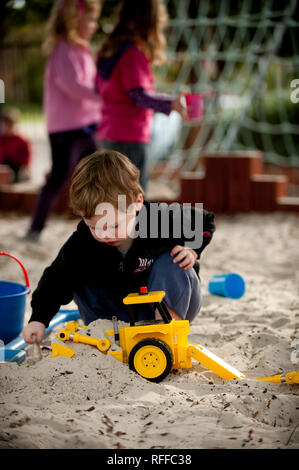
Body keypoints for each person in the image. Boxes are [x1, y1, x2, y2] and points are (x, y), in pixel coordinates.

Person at [23, 149, 216, 345]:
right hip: (115, 313)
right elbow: (56, 278)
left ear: (137, 203)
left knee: (173, 261)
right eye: (94, 227)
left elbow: (204, 221)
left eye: (114, 225)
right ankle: (104, 331)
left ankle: (164, 332)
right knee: (74, 270)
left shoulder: (159, 218)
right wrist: (39, 319)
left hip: (161, 304)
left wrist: (192, 250)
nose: (105, 234)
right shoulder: (84, 240)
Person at [24, 0, 102, 242]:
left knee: (98, 174)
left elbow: (92, 81)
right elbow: (74, 86)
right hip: (66, 129)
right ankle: (35, 228)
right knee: (58, 178)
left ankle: (100, 227)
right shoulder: (63, 50)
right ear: (73, 21)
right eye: (90, 19)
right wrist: (105, 94)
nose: (94, 24)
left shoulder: (82, 50)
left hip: (87, 124)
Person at [95, 0, 188, 191]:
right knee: (134, 195)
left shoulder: (108, 51)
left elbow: (100, 89)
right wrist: (171, 104)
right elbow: (137, 96)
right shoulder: (131, 54)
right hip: (130, 135)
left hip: (109, 131)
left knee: (117, 194)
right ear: (148, 23)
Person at [0, 107, 31, 183]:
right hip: (4, 164)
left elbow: (26, 156)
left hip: (17, 166)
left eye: (9, 125)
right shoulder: (2, 139)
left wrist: (26, 167)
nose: (6, 128)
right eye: (5, 125)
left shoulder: (20, 140)